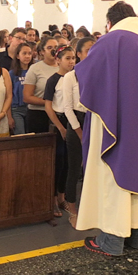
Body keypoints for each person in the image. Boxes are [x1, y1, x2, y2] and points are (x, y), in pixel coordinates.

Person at [77, 2, 138, 256]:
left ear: (109, 22)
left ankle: (111, 242)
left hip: (121, 121)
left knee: (116, 176)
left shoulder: (113, 40)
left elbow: (87, 75)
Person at [62, 37, 95, 227]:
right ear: (79, 54)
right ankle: (72, 207)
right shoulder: (71, 76)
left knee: (93, 168)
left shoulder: (99, 74)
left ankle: (91, 208)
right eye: (88, 50)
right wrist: (80, 132)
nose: (92, 53)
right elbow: (67, 108)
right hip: (77, 121)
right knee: (74, 167)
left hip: (94, 120)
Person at [44, 46, 76, 219]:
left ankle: (64, 196)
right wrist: (61, 127)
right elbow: (48, 106)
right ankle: (53, 199)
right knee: (59, 161)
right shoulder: (53, 80)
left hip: (74, 120)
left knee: (70, 163)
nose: (71, 62)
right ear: (58, 60)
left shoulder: (76, 77)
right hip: (59, 121)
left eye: (73, 58)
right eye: (68, 58)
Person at [23, 36, 59, 133]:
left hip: (59, 113)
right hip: (38, 114)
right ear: (42, 51)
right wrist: (50, 102)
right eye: (49, 48)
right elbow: (27, 97)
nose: (53, 50)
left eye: (56, 47)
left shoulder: (63, 67)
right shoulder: (35, 68)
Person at [9, 43, 34, 135]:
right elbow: (8, 95)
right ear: (17, 56)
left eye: (29, 53)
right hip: (16, 109)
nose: (27, 56)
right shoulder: (12, 74)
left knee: (32, 135)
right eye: (24, 53)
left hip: (31, 108)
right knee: (21, 135)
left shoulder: (34, 71)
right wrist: (9, 116)